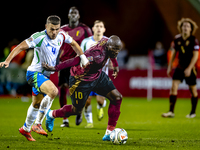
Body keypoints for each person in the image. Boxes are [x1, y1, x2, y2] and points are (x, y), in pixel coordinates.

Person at [0, 15, 89, 141]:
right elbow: (20, 46)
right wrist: (8, 60)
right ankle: (38, 124)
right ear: (46, 27)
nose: (54, 32)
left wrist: (83, 57)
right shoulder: (39, 37)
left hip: (44, 75)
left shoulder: (62, 35)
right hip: (34, 74)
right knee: (53, 91)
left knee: (36, 104)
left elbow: (73, 43)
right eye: (52, 29)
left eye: (57, 29)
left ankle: (25, 129)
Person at [43, 35, 122, 141]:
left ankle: (109, 133)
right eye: (114, 50)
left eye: (118, 50)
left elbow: (112, 53)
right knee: (76, 110)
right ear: (108, 47)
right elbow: (76, 60)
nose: (116, 53)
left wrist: (115, 65)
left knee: (117, 98)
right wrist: (55, 68)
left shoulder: (108, 43)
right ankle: (51, 114)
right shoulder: (95, 55)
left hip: (97, 76)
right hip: (80, 81)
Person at [58, 6, 93, 127]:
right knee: (63, 89)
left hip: (79, 64)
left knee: (78, 91)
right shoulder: (62, 29)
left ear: (78, 16)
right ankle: (65, 119)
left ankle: (79, 111)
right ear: (68, 16)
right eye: (71, 13)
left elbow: (91, 44)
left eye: (75, 13)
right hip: (65, 63)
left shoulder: (85, 29)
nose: (73, 15)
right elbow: (57, 45)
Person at [162, 18, 199, 118]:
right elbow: (174, 54)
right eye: (184, 26)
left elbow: (196, 56)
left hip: (190, 68)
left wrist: (190, 68)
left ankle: (192, 112)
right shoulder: (177, 39)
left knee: (193, 91)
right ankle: (171, 111)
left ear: (191, 29)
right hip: (180, 67)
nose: (185, 28)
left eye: (187, 26)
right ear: (181, 28)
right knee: (173, 87)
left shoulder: (194, 40)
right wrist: (170, 67)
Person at [80, 20, 107, 128]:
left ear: (104, 29)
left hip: (102, 75)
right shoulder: (86, 42)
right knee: (87, 101)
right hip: (88, 75)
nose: (99, 28)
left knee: (100, 101)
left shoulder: (108, 42)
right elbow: (81, 56)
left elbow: (112, 58)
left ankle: (100, 107)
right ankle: (89, 122)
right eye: (97, 26)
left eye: (101, 26)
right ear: (93, 29)